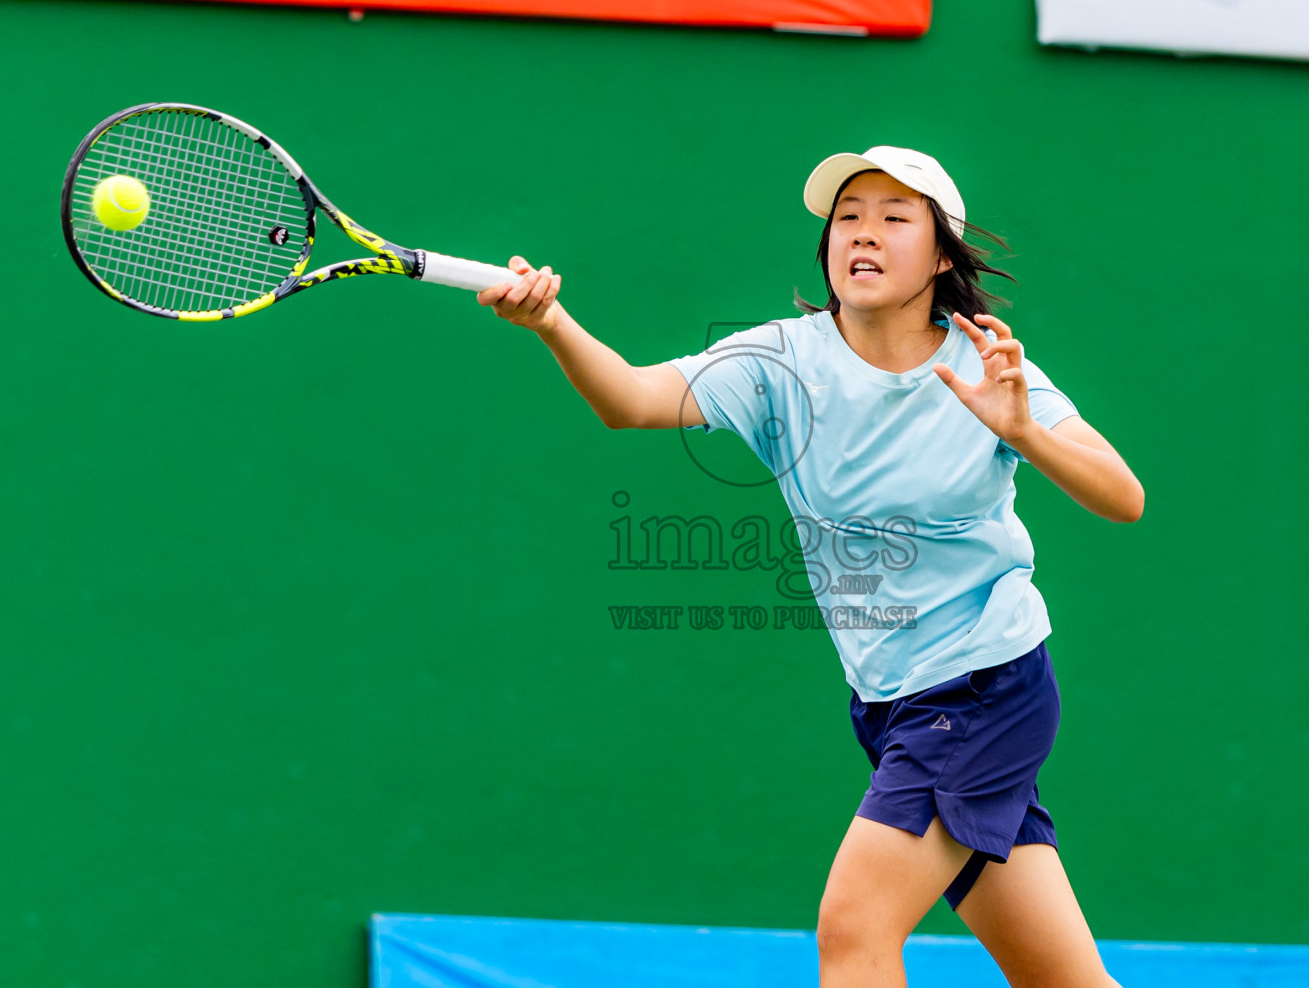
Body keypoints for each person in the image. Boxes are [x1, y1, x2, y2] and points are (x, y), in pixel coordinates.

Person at [477, 146, 1143, 988]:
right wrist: (550, 324)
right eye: (848, 218)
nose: (863, 234)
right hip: (890, 701)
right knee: (1064, 981)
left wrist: (1024, 432)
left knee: (853, 930)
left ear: (942, 254)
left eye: (894, 218)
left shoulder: (989, 370)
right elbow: (632, 400)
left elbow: (1124, 496)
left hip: (982, 688)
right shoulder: (783, 361)